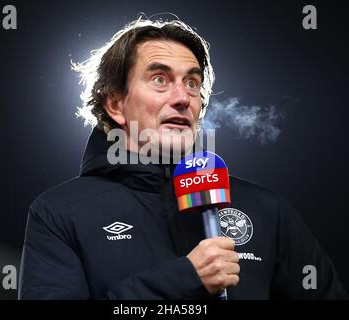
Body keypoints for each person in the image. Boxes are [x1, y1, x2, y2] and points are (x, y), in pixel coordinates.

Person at [18, 17, 347, 299]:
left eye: (192, 83)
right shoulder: (59, 213)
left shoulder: (264, 208)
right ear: (115, 103)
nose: (182, 98)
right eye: (160, 79)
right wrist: (185, 279)